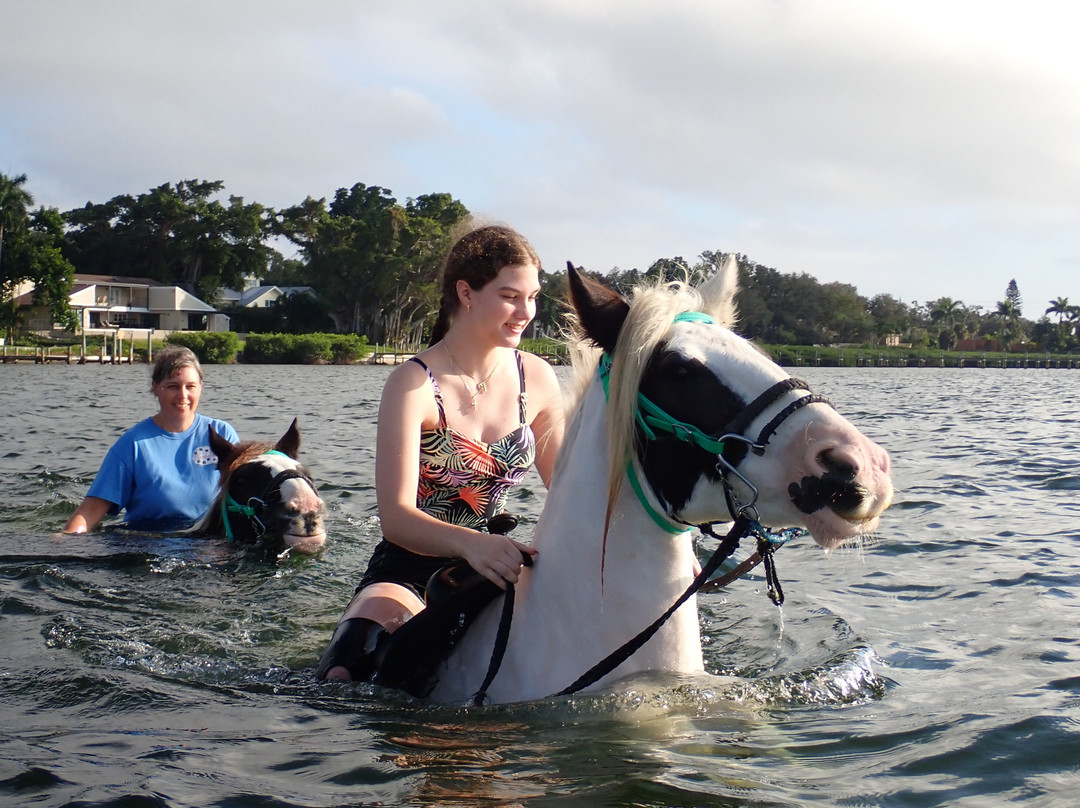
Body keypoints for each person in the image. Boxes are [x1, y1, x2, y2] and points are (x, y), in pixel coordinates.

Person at [316, 223, 565, 682]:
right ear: (466, 292)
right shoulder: (412, 384)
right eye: (510, 296)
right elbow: (396, 517)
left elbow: (570, 490)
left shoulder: (539, 378)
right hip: (411, 566)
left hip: (496, 564)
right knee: (344, 675)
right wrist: (472, 544)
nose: (525, 312)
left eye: (533, 297)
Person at [63, 345, 240, 533]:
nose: (183, 395)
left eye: (190, 386)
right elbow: (91, 510)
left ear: (200, 388)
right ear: (155, 388)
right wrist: (65, 543)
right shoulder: (132, 445)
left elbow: (245, 496)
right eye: (172, 386)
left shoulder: (222, 434)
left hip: (209, 544)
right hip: (151, 545)